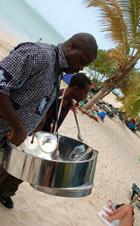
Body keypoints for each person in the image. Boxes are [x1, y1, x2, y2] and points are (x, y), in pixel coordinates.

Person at [0, 32, 98, 208]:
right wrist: (19, 128)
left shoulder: (57, 72)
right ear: (71, 47)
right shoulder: (39, 55)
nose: (81, 68)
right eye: (82, 62)